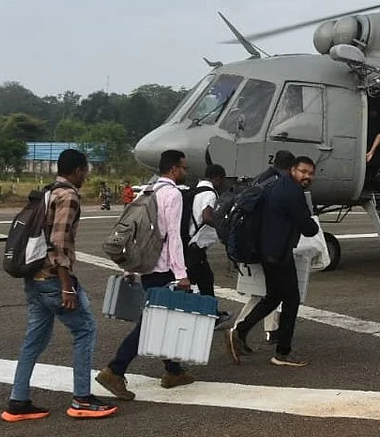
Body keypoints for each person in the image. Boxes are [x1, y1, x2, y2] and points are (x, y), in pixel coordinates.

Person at [2, 148, 117, 422]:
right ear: (78, 170)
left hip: (34, 278)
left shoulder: (48, 192)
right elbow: (59, 242)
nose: (86, 176)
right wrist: (67, 286)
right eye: (86, 170)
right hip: (54, 280)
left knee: (34, 340)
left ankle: (17, 401)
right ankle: (82, 399)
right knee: (85, 329)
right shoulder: (68, 196)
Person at [94, 150, 195, 401]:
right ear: (173, 169)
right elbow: (174, 237)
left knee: (163, 319)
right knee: (152, 323)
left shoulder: (147, 191)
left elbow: (137, 233)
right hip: (162, 269)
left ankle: (173, 370)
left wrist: (131, 267)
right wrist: (182, 274)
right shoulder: (172, 194)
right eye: (183, 168)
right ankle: (115, 369)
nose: (185, 171)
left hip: (146, 266)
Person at [226, 156, 320, 367]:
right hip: (278, 254)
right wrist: (311, 223)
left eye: (310, 173)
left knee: (273, 296)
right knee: (291, 301)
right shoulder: (293, 193)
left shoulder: (277, 184)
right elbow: (308, 227)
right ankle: (282, 352)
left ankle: (239, 332)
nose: (307, 176)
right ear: (293, 169)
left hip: (267, 250)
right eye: (303, 171)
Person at [184, 163, 233, 327]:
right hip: (196, 246)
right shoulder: (210, 193)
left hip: (189, 242)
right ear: (218, 178)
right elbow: (206, 216)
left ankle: (211, 314)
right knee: (197, 281)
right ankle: (207, 316)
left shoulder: (197, 189)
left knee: (204, 279)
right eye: (222, 180)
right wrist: (222, 227)